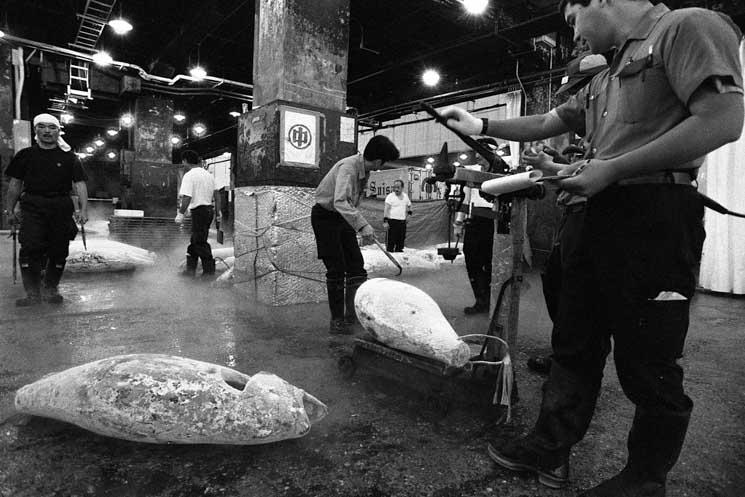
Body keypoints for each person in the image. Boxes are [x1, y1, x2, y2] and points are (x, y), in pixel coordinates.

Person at [441, 1, 743, 495]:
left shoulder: (685, 27)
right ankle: (551, 444)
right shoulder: (607, 72)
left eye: (572, 18)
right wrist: (480, 127)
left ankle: (645, 478)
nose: (575, 33)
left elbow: (724, 119)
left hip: (654, 215)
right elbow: (549, 122)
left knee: (650, 357)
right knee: (574, 342)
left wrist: (613, 169)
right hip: (592, 217)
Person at [525, 51, 609, 375]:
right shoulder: (591, 127)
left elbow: (597, 169)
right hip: (574, 210)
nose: (575, 100)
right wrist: (553, 165)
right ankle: (572, 349)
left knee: (575, 286)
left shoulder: (612, 118)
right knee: (557, 281)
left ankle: (575, 356)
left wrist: (553, 167)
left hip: (590, 211)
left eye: (578, 91)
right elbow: (584, 165)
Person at [311, 135, 400, 335]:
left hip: (341, 218)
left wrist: (358, 225)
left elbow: (349, 204)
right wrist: (362, 225)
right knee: (336, 269)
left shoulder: (363, 171)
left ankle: (353, 314)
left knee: (356, 268)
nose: (381, 167)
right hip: (325, 217)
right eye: (383, 163)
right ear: (378, 160)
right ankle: (337, 320)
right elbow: (340, 201)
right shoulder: (349, 168)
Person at [3, 113, 88, 306]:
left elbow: (80, 184)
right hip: (33, 205)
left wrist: (83, 210)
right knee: (31, 248)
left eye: (52, 127)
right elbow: (15, 185)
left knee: (59, 250)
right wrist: (10, 210)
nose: (47, 131)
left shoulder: (70, 158)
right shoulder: (25, 155)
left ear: (59, 131)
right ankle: (32, 293)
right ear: (36, 130)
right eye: (42, 127)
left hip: (60, 206)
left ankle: (50, 289)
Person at [453, 162, 496, 315]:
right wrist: (458, 223)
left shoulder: (499, 175)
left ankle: (493, 301)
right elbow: (464, 201)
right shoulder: (472, 176)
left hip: (493, 224)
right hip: (474, 223)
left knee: (490, 264)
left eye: (481, 155)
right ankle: (480, 300)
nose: (478, 157)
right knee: (472, 261)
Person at [175, 150, 221, 279]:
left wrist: (181, 213)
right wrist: (218, 213)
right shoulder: (209, 175)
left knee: (200, 242)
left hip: (199, 212)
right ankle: (190, 270)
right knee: (194, 241)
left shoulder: (189, 175)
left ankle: (209, 273)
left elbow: (187, 197)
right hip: (208, 211)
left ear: (185, 160)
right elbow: (217, 196)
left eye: (183, 162)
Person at [382, 179, 412, 252]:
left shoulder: (405, 196)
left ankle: (399, 254)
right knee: (390, 242)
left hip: (402, 222)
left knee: (401, 241)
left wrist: (409, 215)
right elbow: (386, 209)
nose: (396, 189)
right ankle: (390, 254)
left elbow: (410, 206)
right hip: (392, 222)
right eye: (394, 187)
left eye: (398, 187)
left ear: (402, 188)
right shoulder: (390, 196)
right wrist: (385, 221)